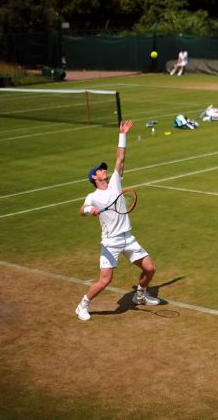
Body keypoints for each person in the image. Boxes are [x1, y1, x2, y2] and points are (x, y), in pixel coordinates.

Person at [75, 120, 160, 321]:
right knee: (105, 280)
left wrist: (123, 135)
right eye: (100, 170)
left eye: (104, 169)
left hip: (128, 238)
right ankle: (83, 305)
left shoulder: (115, 181)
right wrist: (90, 210)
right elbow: (81, 210)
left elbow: (120, 158)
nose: (104, 170)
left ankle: (140, 295)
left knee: (150, 269)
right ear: (94, 178)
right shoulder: (92, 196)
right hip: (110, 242)